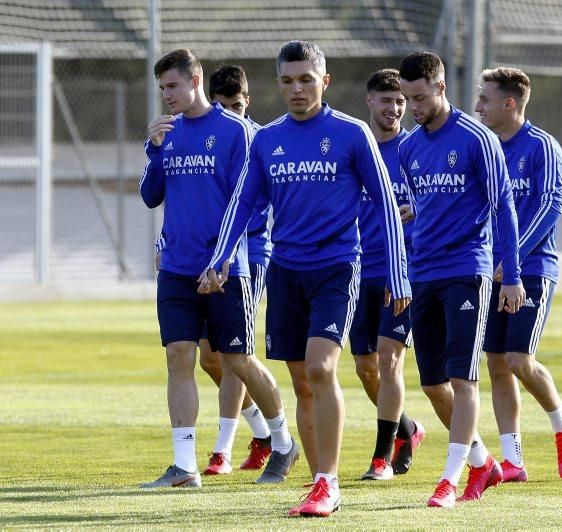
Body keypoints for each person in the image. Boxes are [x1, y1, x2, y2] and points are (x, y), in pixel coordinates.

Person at [201, 40, 411, 517]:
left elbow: (384, 206)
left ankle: (327, 481)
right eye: (288, 80)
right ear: (279, 83)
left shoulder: (351, 134)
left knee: (321, 367)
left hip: (337, 267)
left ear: (325, 82)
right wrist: (219, 259)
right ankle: (320, 485)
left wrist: (399, 275)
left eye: (306, 80)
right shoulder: (267, 139)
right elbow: (242, 204)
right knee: (301, 381)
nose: (297, 89)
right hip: (285, 270)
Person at [138, 49, 297, 489]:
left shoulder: (236, 133)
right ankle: (185, 466)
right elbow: (150, 196)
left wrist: (222, 258)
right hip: (176, 267)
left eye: (173, 86)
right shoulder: (166, 134)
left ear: (196, 80)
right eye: (162, 89)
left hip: (227, 269)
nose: (167, 96)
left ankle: (283, 442)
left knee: (238, 361)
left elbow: (248, 204)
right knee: (179, 358)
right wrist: (153, 150)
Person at [397, 51, 525, 508]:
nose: (412, 106)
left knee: (463, 377)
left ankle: (449, 479)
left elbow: (503, 208)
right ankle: (482, 461)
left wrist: (510, 274)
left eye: (419, 96)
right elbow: (418, 209)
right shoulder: (409, 147)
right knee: (433, 385)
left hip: (468, 270)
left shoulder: (477, 139)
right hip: (423, 273)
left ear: (440, 88)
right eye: (407, 98)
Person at [474, 67, 562, 483]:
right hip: (492, 271)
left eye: (485, 99)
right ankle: (513, 459)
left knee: (520, 359)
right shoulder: (485, 149)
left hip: (533, 269)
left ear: (509, 103)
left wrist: (512, 258)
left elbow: (550, 207)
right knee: (498, 363)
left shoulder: (542, 146)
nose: (478, 105)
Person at [349, 68, 425, 481]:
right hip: (357, 271)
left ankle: (383, 457)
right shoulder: (357, 148)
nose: (395, 108)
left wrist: (419, 211)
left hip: (401, 271)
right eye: (387, 100)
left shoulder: (415, 149)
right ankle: (408, 429)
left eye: (401, 101)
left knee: (389, 359)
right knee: (365, 367)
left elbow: (439, 198)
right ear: (370, 102)